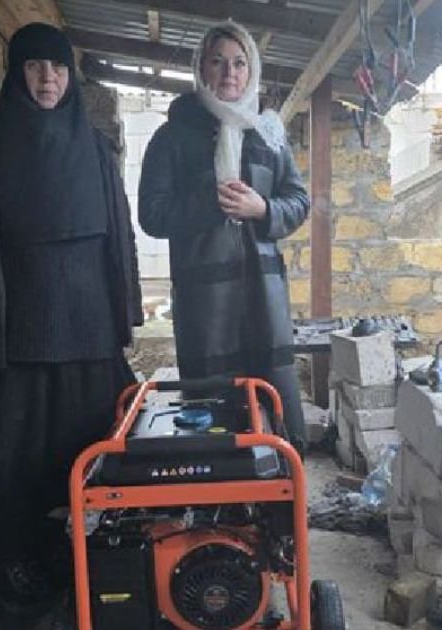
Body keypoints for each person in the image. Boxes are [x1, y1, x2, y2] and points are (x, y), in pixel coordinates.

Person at [0, 22, 143, 621]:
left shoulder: (96, 149)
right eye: (36, 67)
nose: (48, 79)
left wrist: (126, 317)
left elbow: (119, 237)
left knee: (90, 469)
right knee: (4, 479)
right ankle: (1, 595)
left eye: (59, 68)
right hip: (6, 349)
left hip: (89, 348)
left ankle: (94, 580)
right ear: (15, 74)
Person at [139, 21, 310, 452]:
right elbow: (152, 215)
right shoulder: (173, 137)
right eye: (217, 62)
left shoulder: (269, 134)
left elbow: (298, 201)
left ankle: (279, 488)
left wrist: (263, 209)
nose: (229, 73)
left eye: (239, 63)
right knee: (213, 414)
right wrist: (207, 205)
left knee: (273, 408)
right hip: (205, 303)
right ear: (201, 69)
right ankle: (220, 490)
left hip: (264, 298)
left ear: (251, 71)